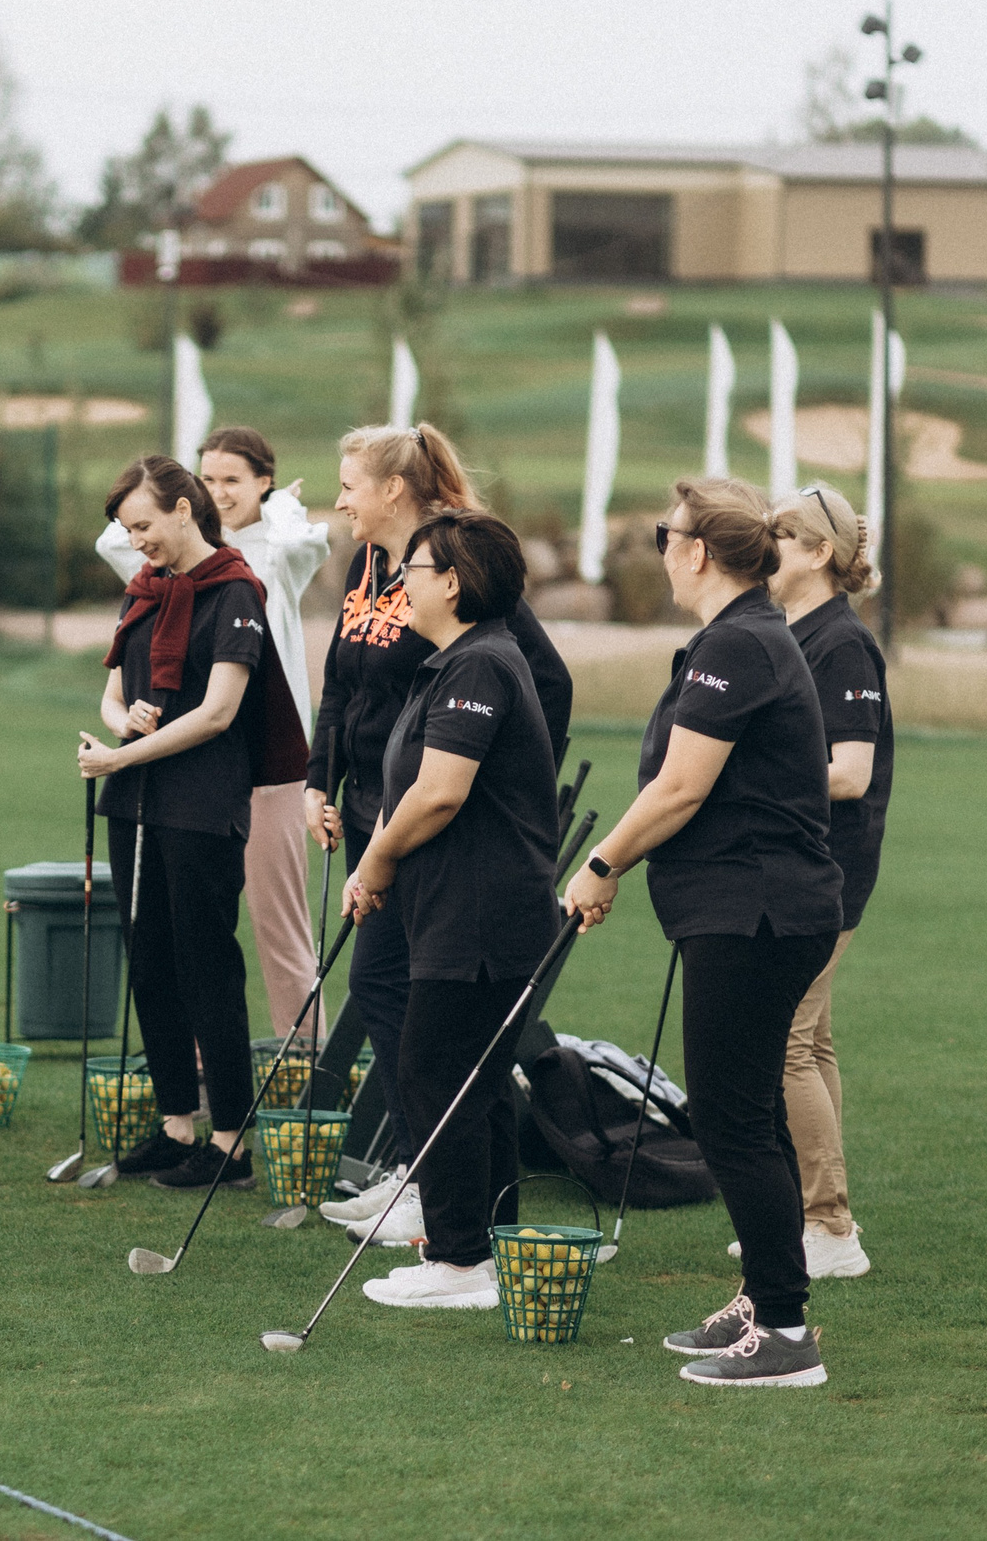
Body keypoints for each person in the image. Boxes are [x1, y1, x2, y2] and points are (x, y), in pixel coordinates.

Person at [564, 475, 846, 1388]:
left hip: (757, 912)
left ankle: (788, 1333)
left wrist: (601, 863)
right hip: (745, 909)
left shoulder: (740, 643)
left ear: (697, 551)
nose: (661, 548)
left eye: (664, 533)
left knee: (730, 1124)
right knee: (752, 1114)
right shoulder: (737, 639)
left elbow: (680, 786)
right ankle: (765, 1300)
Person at [309, 425, 571, 1249]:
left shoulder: (466, 581)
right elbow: (341, 684)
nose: (340, 497)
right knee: (403, 1008)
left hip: (439, 834)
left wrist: (509, 788)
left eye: (351, 482)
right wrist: (327, 776)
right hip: (385, 818)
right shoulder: (371, 570)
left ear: (394, 488)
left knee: (432, 1039)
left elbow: (541, 686)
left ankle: (438, 1198)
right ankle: (435, 1186)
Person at [342, 511, 559, 1310]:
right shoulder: (456, 661)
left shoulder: (480, 664)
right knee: (474, 1080)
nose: (400, 583)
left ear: (454, 581)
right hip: (461, 907)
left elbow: (439, 792)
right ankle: (485, 1248)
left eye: (414, 568)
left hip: (479, 912)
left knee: (435, 1070)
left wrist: (375, 858)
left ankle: (461, 1260)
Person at [76, 456, 308, 1193]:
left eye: (143, 524)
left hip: (202, 803)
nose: (136, 540)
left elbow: (218, 712)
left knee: (205, 961)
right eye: (126, 528)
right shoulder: (143, 591)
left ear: (184, 508)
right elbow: (113, 695)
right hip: (137, 797)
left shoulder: (236, 588)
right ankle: (178, 1122)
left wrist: (125, 753)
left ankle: (231, 1139)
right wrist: (124, 725)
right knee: (149, 959)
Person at [97, 425, 330, 1034]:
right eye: (208, 479)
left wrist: (277, 508)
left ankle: (302, 1068)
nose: (219, 492)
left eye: (234, 479)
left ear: (266, 482)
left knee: (280, 924)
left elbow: (296, 545)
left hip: (269, 760)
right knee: (183, 935)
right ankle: (199, 1072)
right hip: (191, 765)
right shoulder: (170, 547)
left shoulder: (275, 549)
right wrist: (174, 511)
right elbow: (118, 536)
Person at [757, 482, 892, 1280]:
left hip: (829, 870)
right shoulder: (796, 632)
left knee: (786, 1044)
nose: (767, 541)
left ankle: (829, 1227)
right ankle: (814, 1216)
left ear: (821, 553)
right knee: (813, 1038)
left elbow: (850, 770)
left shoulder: (841, 643)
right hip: (805, 863)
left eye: (784, 531)